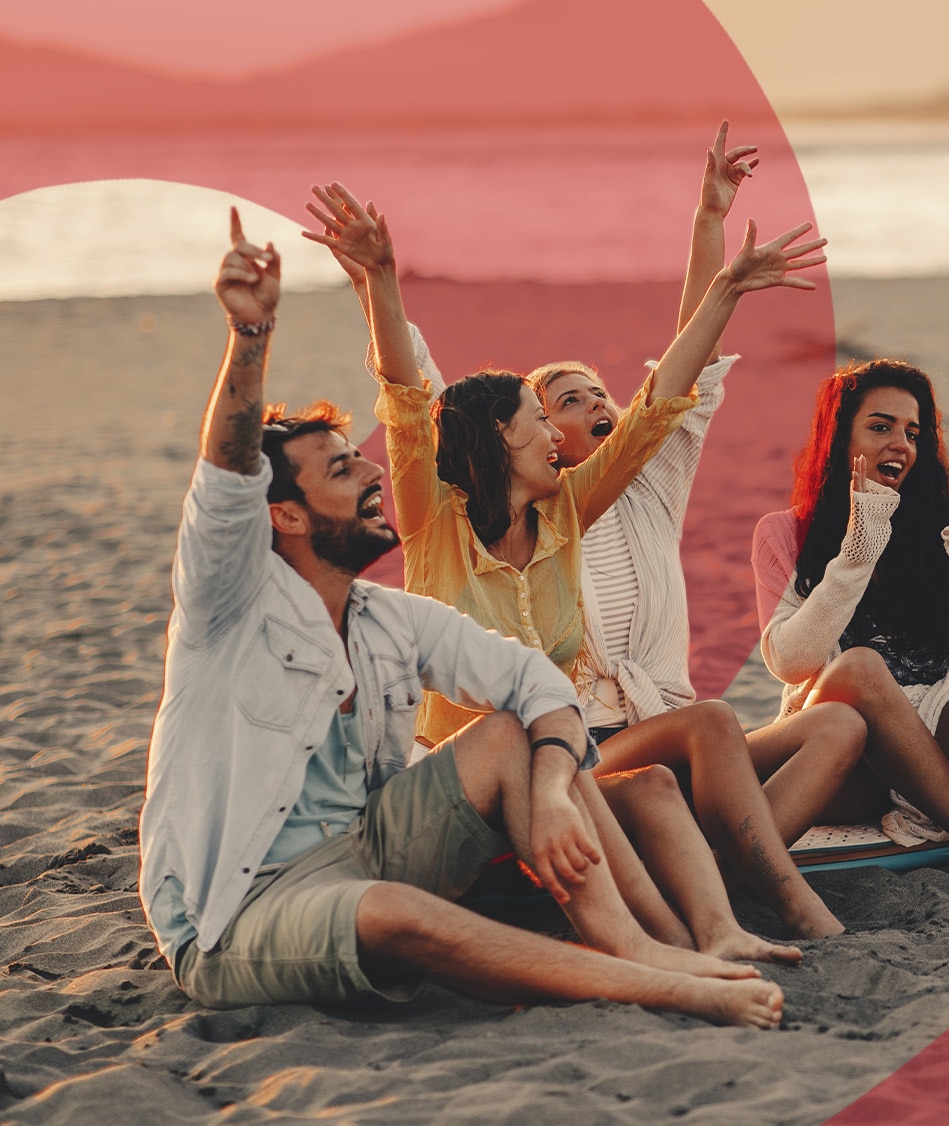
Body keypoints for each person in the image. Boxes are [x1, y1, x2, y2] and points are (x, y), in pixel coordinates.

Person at [137, 212, 782, 1026]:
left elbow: (533, 684)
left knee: (519, 734)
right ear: (289, 518)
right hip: (241, 906)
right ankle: (652, 982)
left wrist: (551, 788)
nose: (369, 467)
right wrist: (254, 333)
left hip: (369, 844)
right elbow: (247, 472)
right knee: (396, 917)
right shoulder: (224, 608)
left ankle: (644, 946)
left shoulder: (384, 618)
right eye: (341, 469)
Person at [305, 154, 844, 940]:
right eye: (543, 410)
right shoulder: (435, 523)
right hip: (475, 770)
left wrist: (726, 284)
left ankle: (724, 928)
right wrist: (379, 282)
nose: (570, 429)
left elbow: (659, 409)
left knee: (668, 774)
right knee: (679, 758)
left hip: (569, 759)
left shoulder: (567, 517)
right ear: (505, 435)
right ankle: (755, 907)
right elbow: (406, 400)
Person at [533, 125, 868, 858]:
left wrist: (709, 220)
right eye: (567, 399)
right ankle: (743, 862)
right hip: (593, 753)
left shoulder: (651, 489)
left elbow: (686, 365)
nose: (597, 402)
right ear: (537, 433)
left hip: (679, 737)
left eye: (599, 393)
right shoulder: (527, 523)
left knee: (839, 724)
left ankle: (726, 857)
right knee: (714, 721)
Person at [752, 359, 949, 909]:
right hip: (849, 766)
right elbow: (790, 662)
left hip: (945, 747)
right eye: (880, 427)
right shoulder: (787, 533)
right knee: (857, 666)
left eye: (912, 431)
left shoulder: (948, 527)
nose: (899, 442)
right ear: (839, 437)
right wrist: (858, 550)